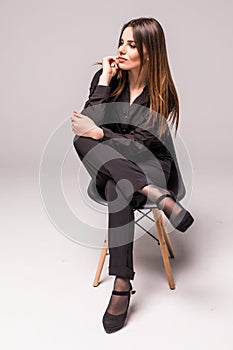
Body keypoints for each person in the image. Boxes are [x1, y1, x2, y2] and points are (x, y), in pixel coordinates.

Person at [71, 17, 194, 333]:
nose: (121, 50)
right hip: (116, 165)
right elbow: (87, 123)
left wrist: (101, 136)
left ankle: (122, 284)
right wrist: (103, 83)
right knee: (81, 140)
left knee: (119, 184)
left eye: (132, 45)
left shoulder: (161, 92)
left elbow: (143, 146)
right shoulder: (106, 78)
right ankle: (155, 195)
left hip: (151, 167)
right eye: (120, 42)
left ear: (150, 53)